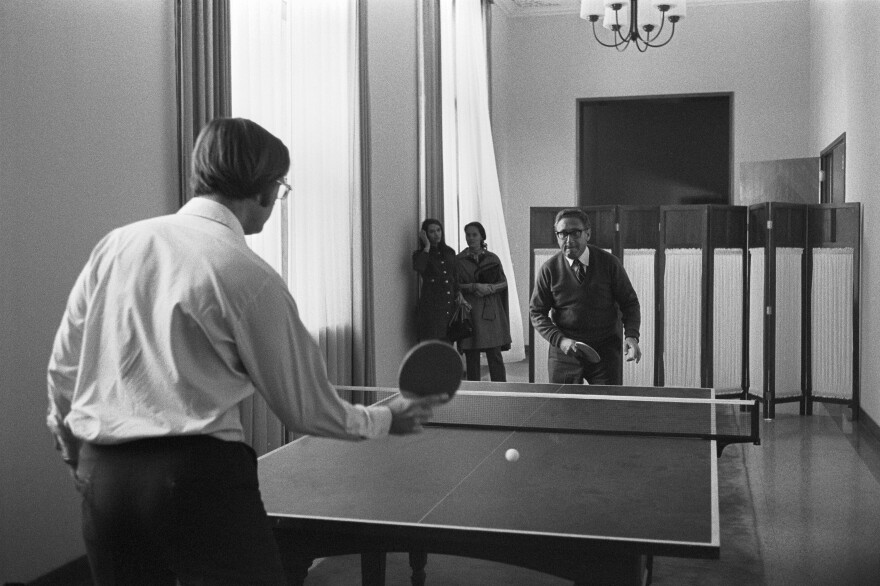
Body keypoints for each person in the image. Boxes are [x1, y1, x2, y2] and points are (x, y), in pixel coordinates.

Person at [46, 117, 448, 586]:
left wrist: (80, 459)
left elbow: (62, 372)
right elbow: (304, 408)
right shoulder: (248, 275)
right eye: (280, 187)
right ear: (262, 189)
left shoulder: (117, 245)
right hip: (196, 483)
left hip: (105, 477)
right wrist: (385, 419)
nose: (277, 201)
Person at [529, 208, 642, 385]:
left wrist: (632, 337)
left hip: (605, 351)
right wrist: (561, 340)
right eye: (562, 234)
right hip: (564, 353)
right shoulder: (549, 269)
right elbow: (536, 312)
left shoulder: (609, 263)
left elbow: (630, 303)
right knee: (564, 409)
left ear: (587, 234)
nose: (568, 240)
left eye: (575, 233)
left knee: (606, 408)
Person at [455, 222, 511, 381]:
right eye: (468, 235)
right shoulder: (459, 260)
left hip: (490, 312)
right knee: (472, 354)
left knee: (495, 354)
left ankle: (501, 391)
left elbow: (504, 283)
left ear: (481, 237)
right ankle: (475, 392)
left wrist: (490, 288)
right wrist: (473, 286)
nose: (471, 238)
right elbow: (455, 285)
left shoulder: (493, 258)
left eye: (474, 235)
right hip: (470, 310)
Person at [412, 218, 460, 342]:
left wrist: (458, 293)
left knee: (448, 341)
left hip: (449, 304)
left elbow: (455, 276)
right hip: (432, 305)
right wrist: (427, 246)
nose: (436, 234)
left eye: (438, 230)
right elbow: (419, 267)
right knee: (432, 341)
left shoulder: (449, 252)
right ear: (425, 235)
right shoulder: (420, 254)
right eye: (432, 231)